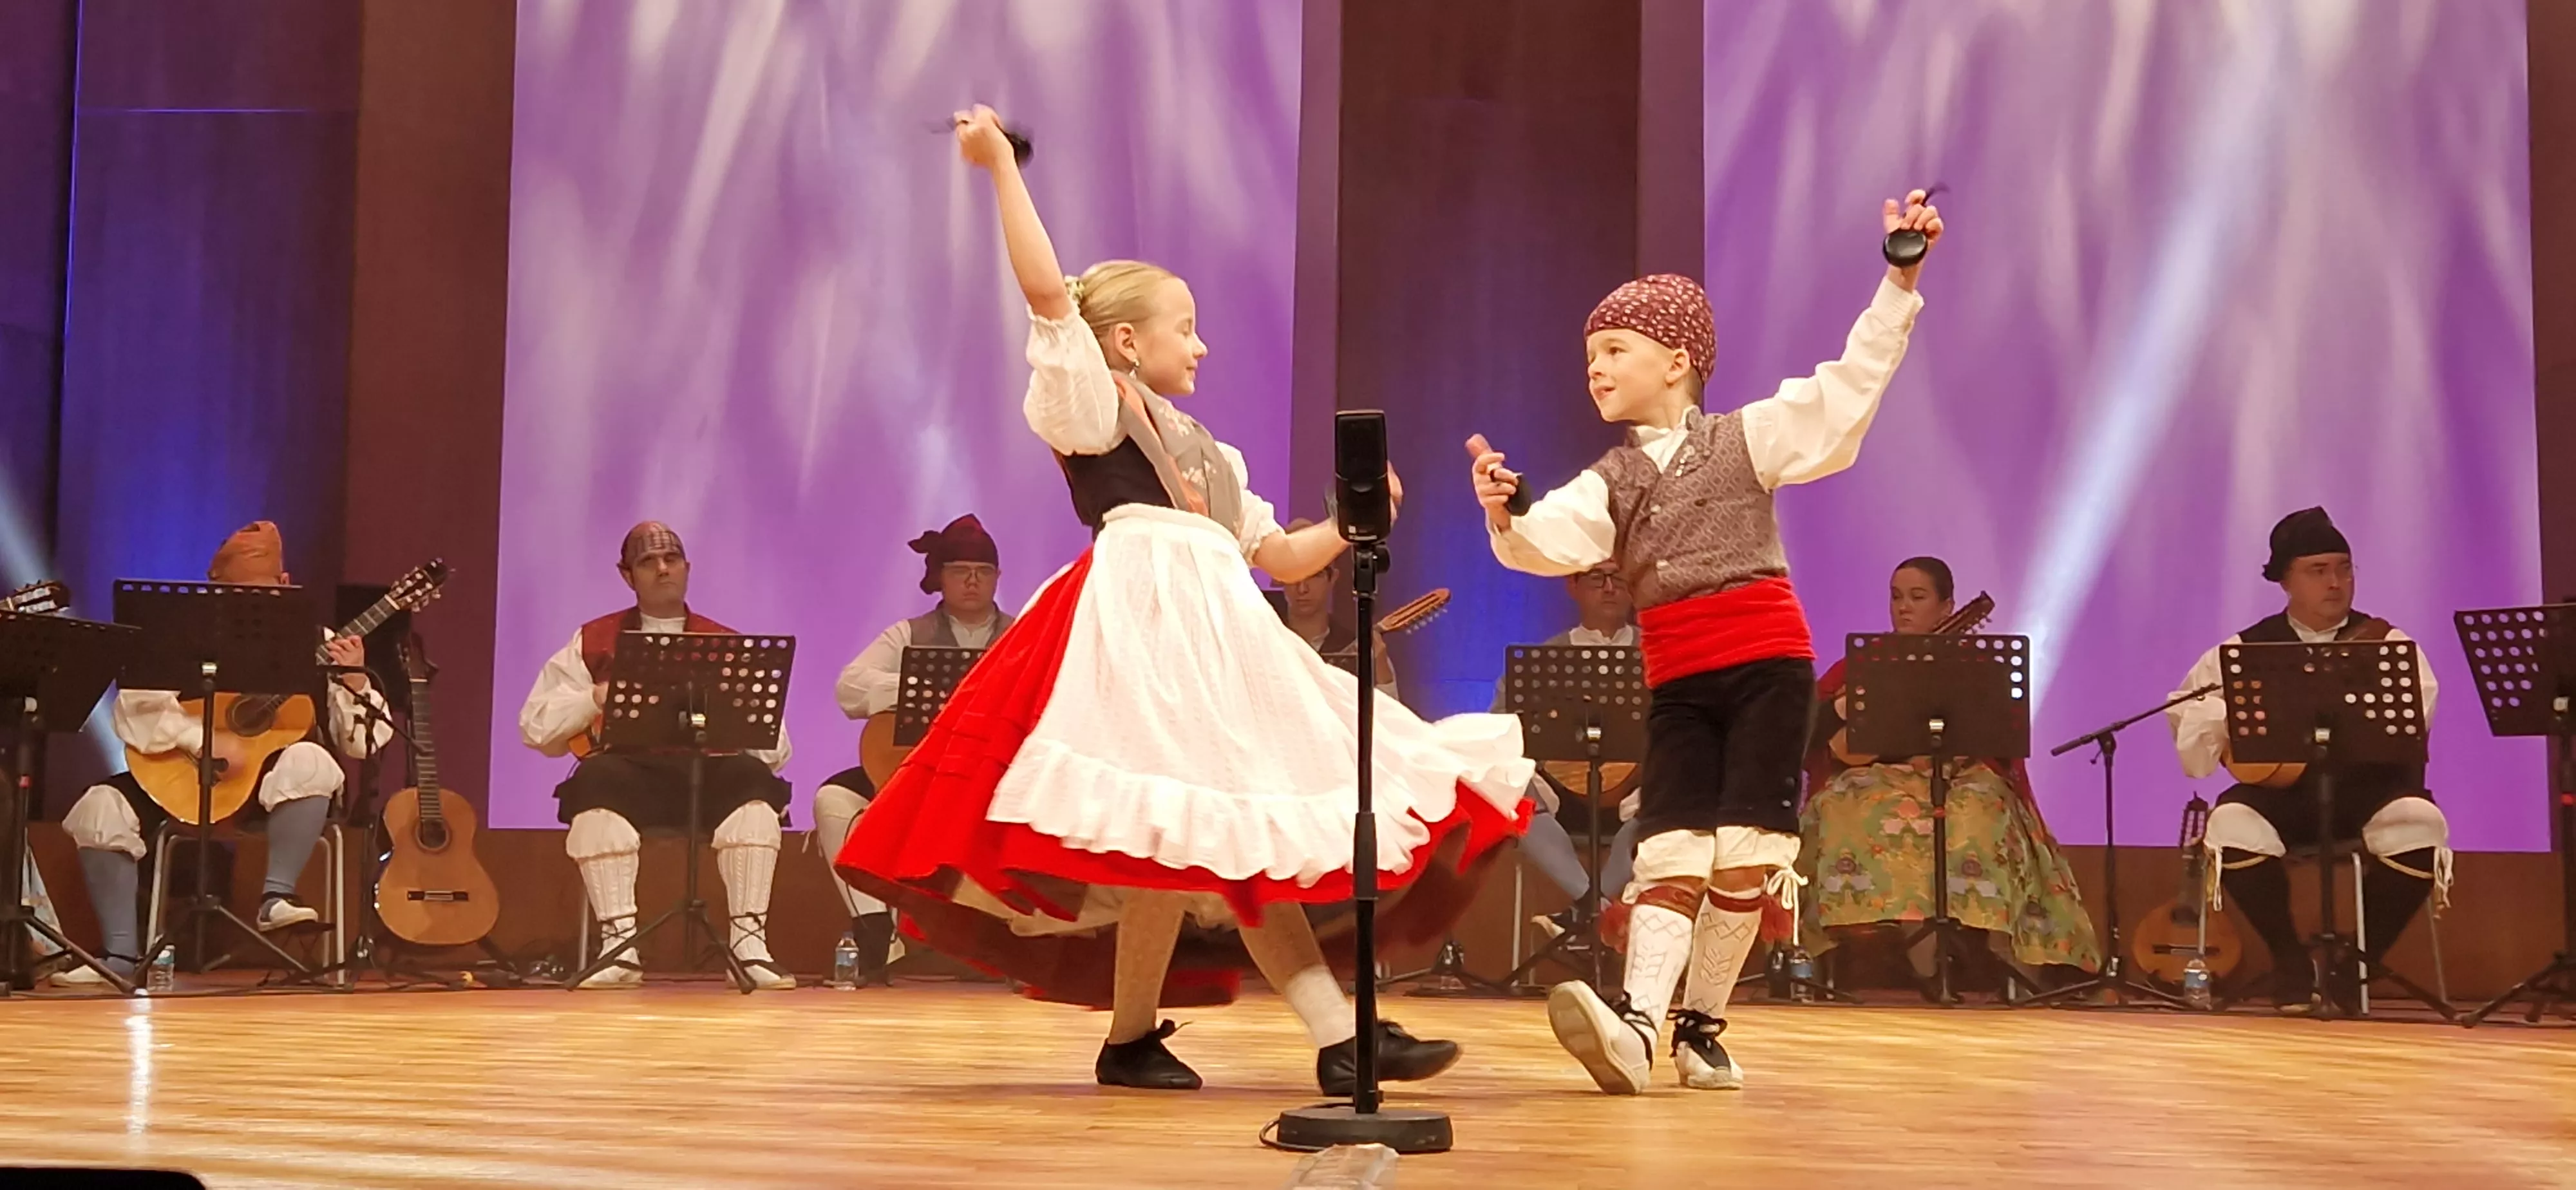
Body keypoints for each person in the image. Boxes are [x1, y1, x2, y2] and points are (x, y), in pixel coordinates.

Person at [837, 106, 1531, 1095]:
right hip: (1140, 632)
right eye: (1186, 329)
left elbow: (1285, 560)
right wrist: (999, 168)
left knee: (1177, 831)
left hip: (1213, 632)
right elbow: (1047, 297)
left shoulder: (1215, 455)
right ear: (1122, 341)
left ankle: (1134, 1039)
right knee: (1216, 821)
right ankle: (1342, 1037)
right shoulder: (1090, 402)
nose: (1202, 349)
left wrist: (1354, 523)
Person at [1473, 189, 1940, 1093]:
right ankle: (1642, 1028)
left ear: (1678, 361)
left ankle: (1701, 1026)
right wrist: (1510, 508)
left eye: (1615, 350)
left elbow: (1846, 387)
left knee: (1751, 847)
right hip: (1681, 673)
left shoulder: (1745, 438)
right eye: (1590, 356)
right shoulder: (1608, 478)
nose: (1596, 369)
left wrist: (1899, 281)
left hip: (1767, 664)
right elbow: (1550, 536)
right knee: (1676, 843)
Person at [52, 522, 390, 987]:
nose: (250, 603)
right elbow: (135, 709)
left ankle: (276, 899)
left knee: (313, 761)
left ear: (285, 583)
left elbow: (362, 743)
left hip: (268, 791)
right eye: (238, 593)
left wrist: (355, 680)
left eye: (262, 591)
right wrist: (201, 741)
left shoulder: (319, 640)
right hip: (184, 779)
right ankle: (119, 958)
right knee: (99, 808)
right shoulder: (182, 635)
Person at [2165, 507, 2450, 1014]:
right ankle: (2290, 962)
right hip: (2283, 795)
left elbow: (2412, 717)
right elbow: (2191, 707)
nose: (2336, 583)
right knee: (2230, 825)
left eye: (2344, 568)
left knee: (2421, 825)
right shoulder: (2244, 650)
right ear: (2286, 581)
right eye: (2318, 571)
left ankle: (2354, 971)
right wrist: (2227, 726)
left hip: (2368, 792)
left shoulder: (2390, 645)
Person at [1799, 556, 2101, 992]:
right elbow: (1808, 731)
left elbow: (2000, 741)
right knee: (1842, 808)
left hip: (1958, 777)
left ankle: (2005, 955)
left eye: (1918, 598)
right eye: (1896, 597)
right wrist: (1848, 705)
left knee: (1981, 811)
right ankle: (1921, 964)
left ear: (1947, 607)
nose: (1903, 607)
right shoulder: (1864, 663)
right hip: (1878, 780)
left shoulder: (1974, 668)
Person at [518, 522, 797, 990]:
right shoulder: (593, 639)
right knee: (594, 782)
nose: (663, 569)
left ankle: (749, 945)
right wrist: (595, 698)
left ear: (688, 568)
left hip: (708, 773)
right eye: (648, 562)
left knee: (753, 782)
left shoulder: (725, 642)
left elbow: (778, 751)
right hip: (633, 774)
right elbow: (536, 728)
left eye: (671, 560)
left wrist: (738, 708)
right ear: (627, 575)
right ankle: (619, 947)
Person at [817, 514, 1016, 983]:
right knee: (834, 801)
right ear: (939, 578)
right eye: (959, 571)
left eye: (983, 572)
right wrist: (922, 688)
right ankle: (875, 937)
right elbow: (850, 688)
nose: (971, 582)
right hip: (916, 772)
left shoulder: (1022, 633)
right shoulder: (907, 635)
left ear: (997, 580)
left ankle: (1021, 942)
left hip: (998, 777)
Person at [1501, 565, 1643, 940]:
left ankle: (1581, 914)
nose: (1610, 588)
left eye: (1620, 578)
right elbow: (1499, 730)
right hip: (1562, 796)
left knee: (1674, 801)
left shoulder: (1659, 652)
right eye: (1597, 578)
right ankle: (1597, 910)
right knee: (1514, 796)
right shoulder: (1543, 661)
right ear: (1573, 586)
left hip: (1639, 795)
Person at [1272, 516, 1398, 701]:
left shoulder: (1355, 648)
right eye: (1293, 577)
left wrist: (1379, 665)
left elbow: (1390, 719)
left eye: (1315, 576)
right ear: (1279, 579)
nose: (1302, 588)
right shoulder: (1268, 640)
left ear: (1333, 578)